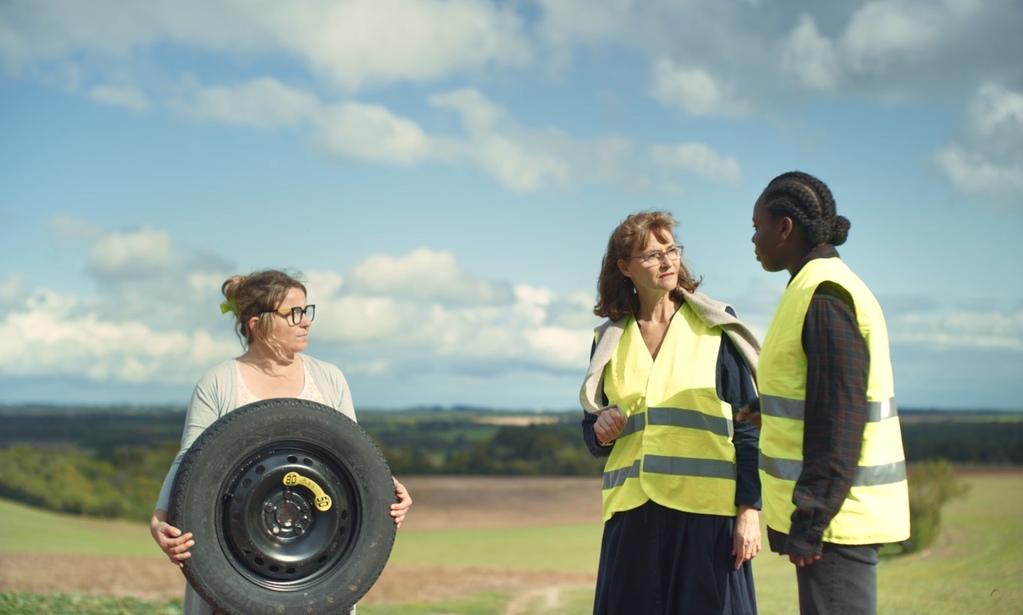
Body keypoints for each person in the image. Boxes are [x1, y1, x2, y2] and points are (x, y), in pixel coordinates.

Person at [149, 269, 413, 615]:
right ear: (257, 324)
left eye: (307, 311)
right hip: (238, 562)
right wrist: (159, 519)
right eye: (293, 314)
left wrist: (388, 490)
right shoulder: (219, 382)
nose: (305, 322)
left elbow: (354, 455)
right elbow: (189, 460)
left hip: (318, 564)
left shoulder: (328, 379)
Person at [741, 172, 910, 615]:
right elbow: (813, 391)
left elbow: (839, 417)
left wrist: (811, 520)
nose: (753, 239)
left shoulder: (825, 295)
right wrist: (764, 412)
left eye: (757, 226)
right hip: (835, 518)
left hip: (836, 522)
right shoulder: (809, 288)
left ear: (785, 228)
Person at [580, 211, 762, 614]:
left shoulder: (715, 328)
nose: (666, 262)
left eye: (671, 250)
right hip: (631, 516)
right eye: (651, 255)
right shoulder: (607, 338)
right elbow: (592, 431)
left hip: (706, 518)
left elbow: (749, 428)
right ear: (624, 268)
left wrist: (749, 512)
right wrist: (600, 429)